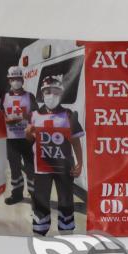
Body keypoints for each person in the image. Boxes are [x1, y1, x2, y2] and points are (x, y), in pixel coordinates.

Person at [26, 75, 84, 235]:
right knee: (41, 200)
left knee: (66, 200)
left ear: (61, 94)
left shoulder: (69, 115)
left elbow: (75, 142)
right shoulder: (34, 115)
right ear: (42, 94)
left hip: (64, 167)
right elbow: (29, 139)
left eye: (56, 92)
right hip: (41, 167)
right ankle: (40, 231)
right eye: (48, 92)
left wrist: (80, 163)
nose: (51, 96)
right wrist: (28, 133)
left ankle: (66, 232)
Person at [0, 65, 38, 205]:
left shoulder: (30, 96)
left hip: (27, 139)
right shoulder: (4, 97)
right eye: (13, 79)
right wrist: (7, 120)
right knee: (15, 169)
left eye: (18, 78)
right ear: (9, 81)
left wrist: (26, 117)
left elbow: (36, 116)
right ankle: (17, 195)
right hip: (11, 140)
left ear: (22, 79)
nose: (16, 81)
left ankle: (36, 196)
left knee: (30, 169)